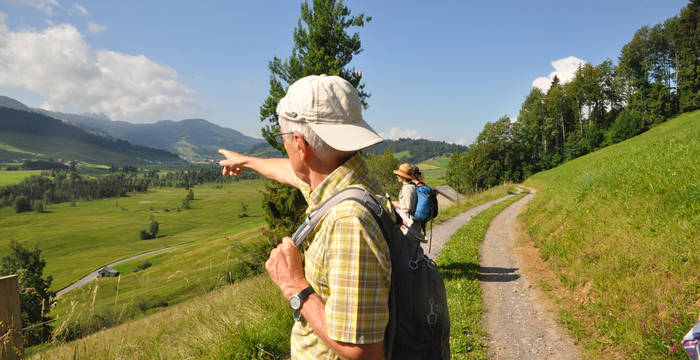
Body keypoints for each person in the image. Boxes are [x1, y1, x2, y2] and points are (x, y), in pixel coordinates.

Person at [218, 74, 391, 360]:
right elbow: (291, 171)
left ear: (300, 144)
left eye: (284, 138)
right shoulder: (346, 183)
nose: (285, 146)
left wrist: (293, 285)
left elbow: (364, 352)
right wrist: (246, 161)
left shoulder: (348, 220)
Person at [392, 163, 418, 229]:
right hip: (410, 221)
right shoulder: (410, 186)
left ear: (403, 176)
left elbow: (407, 207)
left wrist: (394, 204)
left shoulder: (407, 188)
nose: (397, 176)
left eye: (399, 174)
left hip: (408, 222)